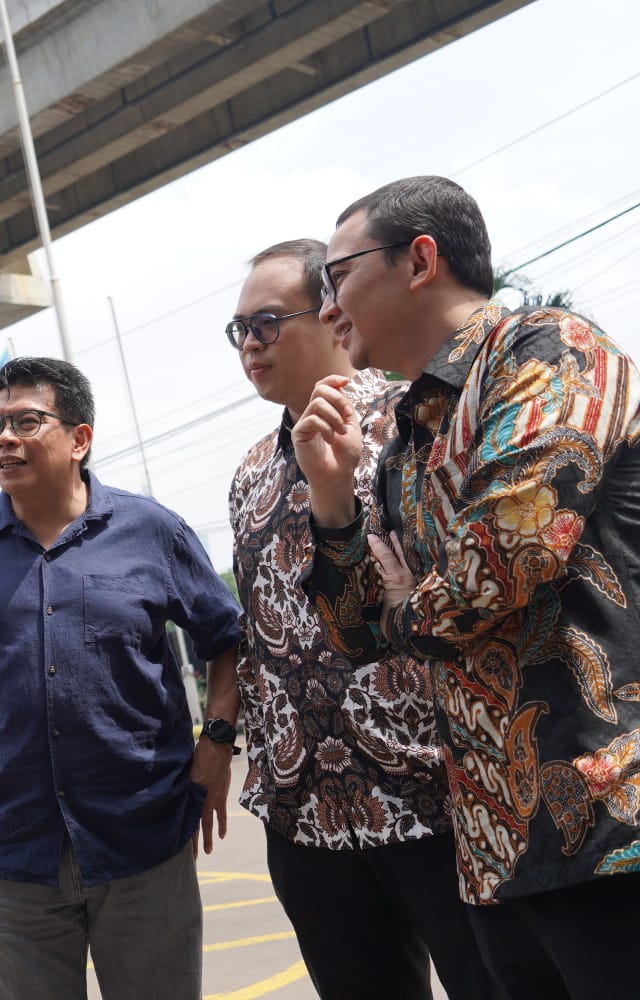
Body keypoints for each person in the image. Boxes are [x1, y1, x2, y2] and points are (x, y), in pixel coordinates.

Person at [294, 175, 640, 999]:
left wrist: (413, 601)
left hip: (613, 821)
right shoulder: (405, 443)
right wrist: (332, 498)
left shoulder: (549, 349)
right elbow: (356, 634)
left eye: (338, 276)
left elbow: (508, 554)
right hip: (494, 847)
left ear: (420, 260)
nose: (329, 308)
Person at [0, 356, 242, 1000]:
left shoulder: (153, 531)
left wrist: (217, 745)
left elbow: (225, 638)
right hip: (10, 847)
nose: (4, 438)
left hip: (143, 837)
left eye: (26, 421)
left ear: (79, 439)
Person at [226, 239, 501, 999]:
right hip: (307, 815)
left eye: (268, 322)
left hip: (431, 798)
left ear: (333, 310)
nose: (251, 343)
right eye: (239, 329)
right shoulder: (249, 471)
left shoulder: (417, 422)